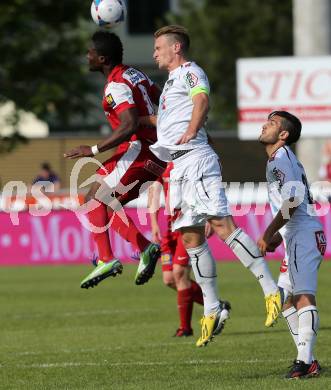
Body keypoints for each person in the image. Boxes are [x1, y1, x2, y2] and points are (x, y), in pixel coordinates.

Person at [150, 25, 281, 347]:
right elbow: (168, 121)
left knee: (222, 226)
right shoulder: (169, 85)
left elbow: (202, 101)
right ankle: (210, 306)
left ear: (176, 47)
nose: (154, 54)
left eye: (158, 48)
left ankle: (270, 289)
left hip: (195, 158)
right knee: (191, 236)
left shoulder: (191, 72)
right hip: (178, 166)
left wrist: (193, 129)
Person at [64, 31, 166, 289]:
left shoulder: (116, 85)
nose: (86, 56)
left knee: (96, 199)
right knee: (99, 203)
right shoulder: (135, 74)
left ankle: (107, 259)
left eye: (89, 52)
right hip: (151, 151)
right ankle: (145, 248)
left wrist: (94, 149)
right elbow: (161, 98)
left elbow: (129, 123)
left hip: (138, 150)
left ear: (101, 58)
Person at [258, 111, 326, 379]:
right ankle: (307, 358)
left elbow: (294, 200)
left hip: (303, 234)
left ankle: (305, 362)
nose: (265, 125)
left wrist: (268, 232)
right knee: (286, 300)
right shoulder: (279, 159)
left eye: (273, 124)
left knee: (302, 296)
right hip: (299, 234)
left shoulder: (281, 159)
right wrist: (278, 236)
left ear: (283, 135)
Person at [148, 162, 227, 337]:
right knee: (169, 280)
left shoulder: (192, 157)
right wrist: (153, 222)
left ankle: (185, 328)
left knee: (179, 274)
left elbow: (209, 187)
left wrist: (210, 218)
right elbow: (154, 190)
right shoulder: (162, 157)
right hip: (170, 229)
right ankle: (216, 305)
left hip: (190, 224)